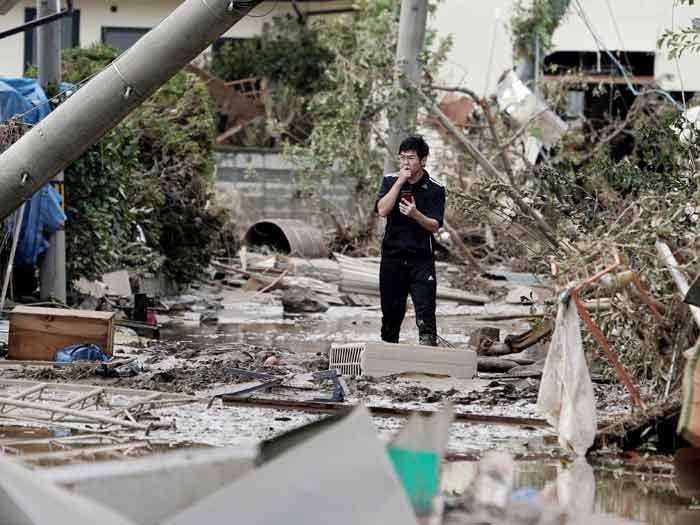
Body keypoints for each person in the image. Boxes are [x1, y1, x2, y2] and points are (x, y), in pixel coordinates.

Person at [375, 135, 445, 346]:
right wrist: (399, 182)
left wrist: (415, 214)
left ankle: (428, 365)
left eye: (411, 158)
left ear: (423, 160)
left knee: (425, 314)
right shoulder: (390, 181)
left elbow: (435, 225)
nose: (406, 162)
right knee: (391, 315)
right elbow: (382, 210)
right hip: (392, 257)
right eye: (402, 158)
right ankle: (387, 363)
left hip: (421, 260)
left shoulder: (435, 188)